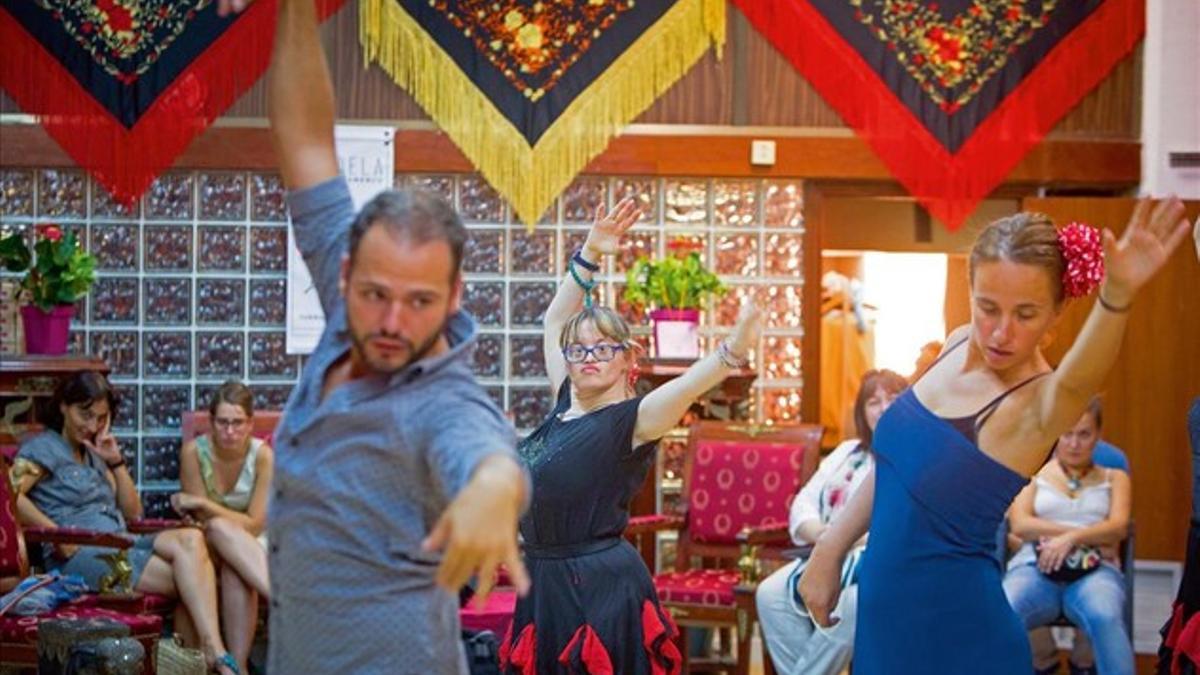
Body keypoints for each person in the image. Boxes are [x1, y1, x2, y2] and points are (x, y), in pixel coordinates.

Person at [245, 0, 530, 672]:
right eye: (376, 294)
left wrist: (496, 489)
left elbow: (487, 454)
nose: (393, 322)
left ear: (455, 296)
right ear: (345, 274)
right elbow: (307, 141)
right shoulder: (351, 314)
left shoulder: (443, 401)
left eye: (421, 300)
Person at [798, 200, 1193, 675]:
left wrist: (1118, 297)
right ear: (970, 290)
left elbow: (1076, 382)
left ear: (1056, 314)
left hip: (961, 639)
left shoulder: (1038, 404)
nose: (1001, 332)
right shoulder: (957, 342)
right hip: (886, 628)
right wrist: (828, 550)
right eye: (988, 307)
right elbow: (895, 468)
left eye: (1026, 314)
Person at [498, 199, 764, 673]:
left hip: (598, 590)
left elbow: (688, 386)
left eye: (602, 347)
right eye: (578, 350)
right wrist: (591, 252)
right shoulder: (565, 400)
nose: (588, 356)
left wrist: (733, 350)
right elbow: (554, 322)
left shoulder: (632, 419)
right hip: (543, 583)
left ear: (628, 358)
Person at [12, 372, 242, 674]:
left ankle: (208, 654)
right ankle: (210, 657)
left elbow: (134, 513)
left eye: (101, 417)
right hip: (81, 552)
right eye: (85, 414)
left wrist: (115, 461)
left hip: (120, 541)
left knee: (191, 540)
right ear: (63, 406)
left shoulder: (93, 453)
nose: (92, 425)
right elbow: (11, 495)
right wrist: (54, 533)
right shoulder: (43, 449)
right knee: (194, 582)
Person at [755, 368, 908, 675]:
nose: (884, 409)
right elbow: (803, 504)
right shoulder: (847, 451)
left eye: (893, 399)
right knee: (769, 594)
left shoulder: (913, 456)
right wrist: (827, 537)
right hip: (827, 552)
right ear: (862, 413)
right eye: (874, 402)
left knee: (853, 603)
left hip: (879, 562)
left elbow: (901, 524)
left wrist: (844, 538)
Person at [1005, 397, 1134, 675]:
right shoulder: (1033, 473)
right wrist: (1083, 534)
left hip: (1096, 571)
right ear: (1056, 434)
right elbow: (1020, 525)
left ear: (1098, 436)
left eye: (1084, 434)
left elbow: (1119, 527)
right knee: (1006, 609)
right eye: (1067, 433)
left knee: (1106, 614)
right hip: (1033, 567)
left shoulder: (1115, 476)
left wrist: (1067, 538)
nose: (1074, 443)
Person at [172, 381, 272, 675]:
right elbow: (197, 519)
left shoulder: (263, 456)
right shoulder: (194, 452)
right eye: (223, 422)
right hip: (208, 542)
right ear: (211, 423)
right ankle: (286, 602)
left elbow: (255, 524)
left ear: (250, 424)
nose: (230, 431)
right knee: (216, 528)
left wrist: (207, 505)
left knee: (233, 565)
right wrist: (205, 512)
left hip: (252, 546)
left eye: (238, 423)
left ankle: (236, 667)